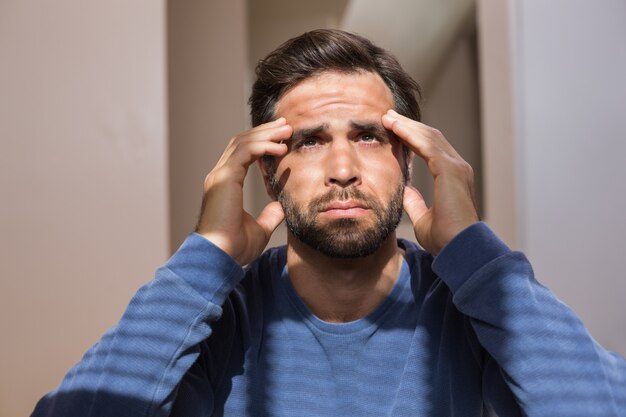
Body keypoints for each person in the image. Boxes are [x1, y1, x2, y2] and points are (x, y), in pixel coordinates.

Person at [32, 29, 625, 417]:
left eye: (369, 137)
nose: (343, 169)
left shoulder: (474, 309)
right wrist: (203, 261)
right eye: (311, 142)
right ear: (269, 174)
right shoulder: (216, 320)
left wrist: (475, 255)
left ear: (408, 163)